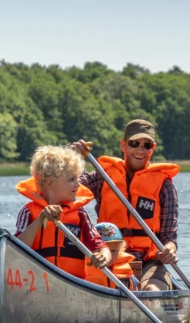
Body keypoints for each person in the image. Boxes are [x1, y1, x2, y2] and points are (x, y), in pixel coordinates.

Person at [71, 120, 180, 292]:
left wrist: (169, 250)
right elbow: (69, 187)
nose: (140, 150)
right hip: (109, 256)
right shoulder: (103, 177)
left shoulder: (164, 186)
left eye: (147, 145)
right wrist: (72, 159)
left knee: (152, 291)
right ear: (123, 145)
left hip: (148, 262)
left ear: (153, 148)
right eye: (134, 143)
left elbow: (169, 237)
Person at [15, 145, 111, 279]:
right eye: (72, 180)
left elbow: (101, 247)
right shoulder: (28, 212)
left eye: (77, 179)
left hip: (72, 283)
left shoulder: (80, 214)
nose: (78, 184)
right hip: (37, 282)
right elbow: (16, 249)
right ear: (50, 182)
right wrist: (41, 218)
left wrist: (104, 256)